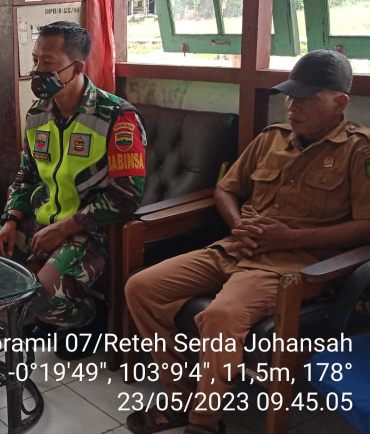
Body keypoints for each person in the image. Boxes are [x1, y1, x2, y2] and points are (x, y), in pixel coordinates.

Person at [124, 49, 370, 434]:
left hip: (292, 265)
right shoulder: (272, 139)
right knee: (141, 287)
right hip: (234, 249)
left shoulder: (359, 150)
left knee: (221, 316)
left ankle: (204, 422)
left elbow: (366, 226)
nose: (292, 106)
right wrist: (237, 223)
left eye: (305, 99)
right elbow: (225, 189)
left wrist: (292, 237)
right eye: (290, 97)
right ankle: (182, 396)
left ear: (339, 102)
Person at [0, 21, 146, 359]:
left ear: (76, 68)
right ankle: (44, 320)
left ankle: (88, 320)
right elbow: (25, 177)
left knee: (41, 293)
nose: (37, 70)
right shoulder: (37, 114)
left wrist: (63, 229)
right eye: (35, 60)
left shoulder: (116, 117)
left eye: (47, 63)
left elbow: (126, 195)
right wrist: (9, 222)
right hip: (39, 223)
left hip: (90, 232)